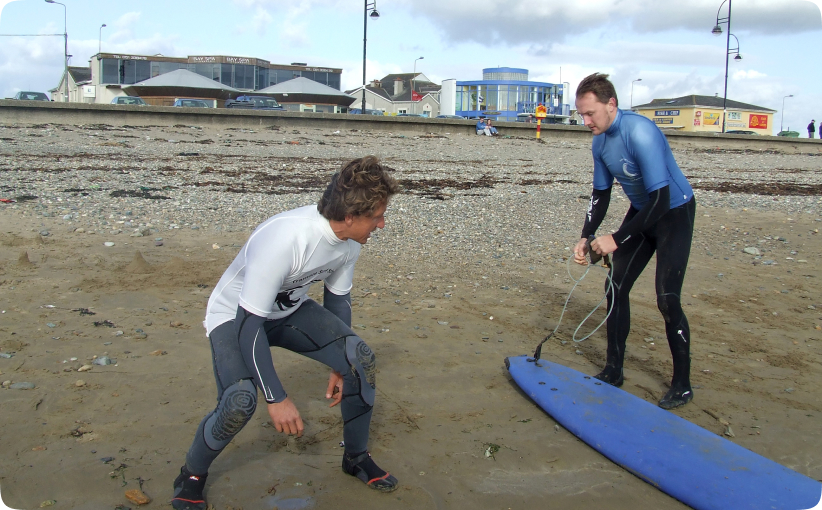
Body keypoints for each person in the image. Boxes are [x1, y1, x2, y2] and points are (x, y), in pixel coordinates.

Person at [171, 156, 400, 509]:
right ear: (351, 216)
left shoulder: (351, 242)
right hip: (236, 317)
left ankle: (355, 457)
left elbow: (338, 300)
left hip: (288, 311)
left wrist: (340, 364)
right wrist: (276, 398)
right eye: (377, 217)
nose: (382, 225)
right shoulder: (285, 238)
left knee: (360, 360)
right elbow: (249, 326)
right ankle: (191, 474)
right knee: (240, 401)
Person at [571, 73, 696, 410]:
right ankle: (614, 370)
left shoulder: (640, 132)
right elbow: (600, 194)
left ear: (611, 104)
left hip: (673, 214)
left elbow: (661, 199)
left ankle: (682, 385)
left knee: (667, 300)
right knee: (615, 286)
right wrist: (587, 235)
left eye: (590, 113)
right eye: (581, 114)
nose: (585, 121)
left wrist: (617, 237)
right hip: (643, 213)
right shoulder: (599, 142)